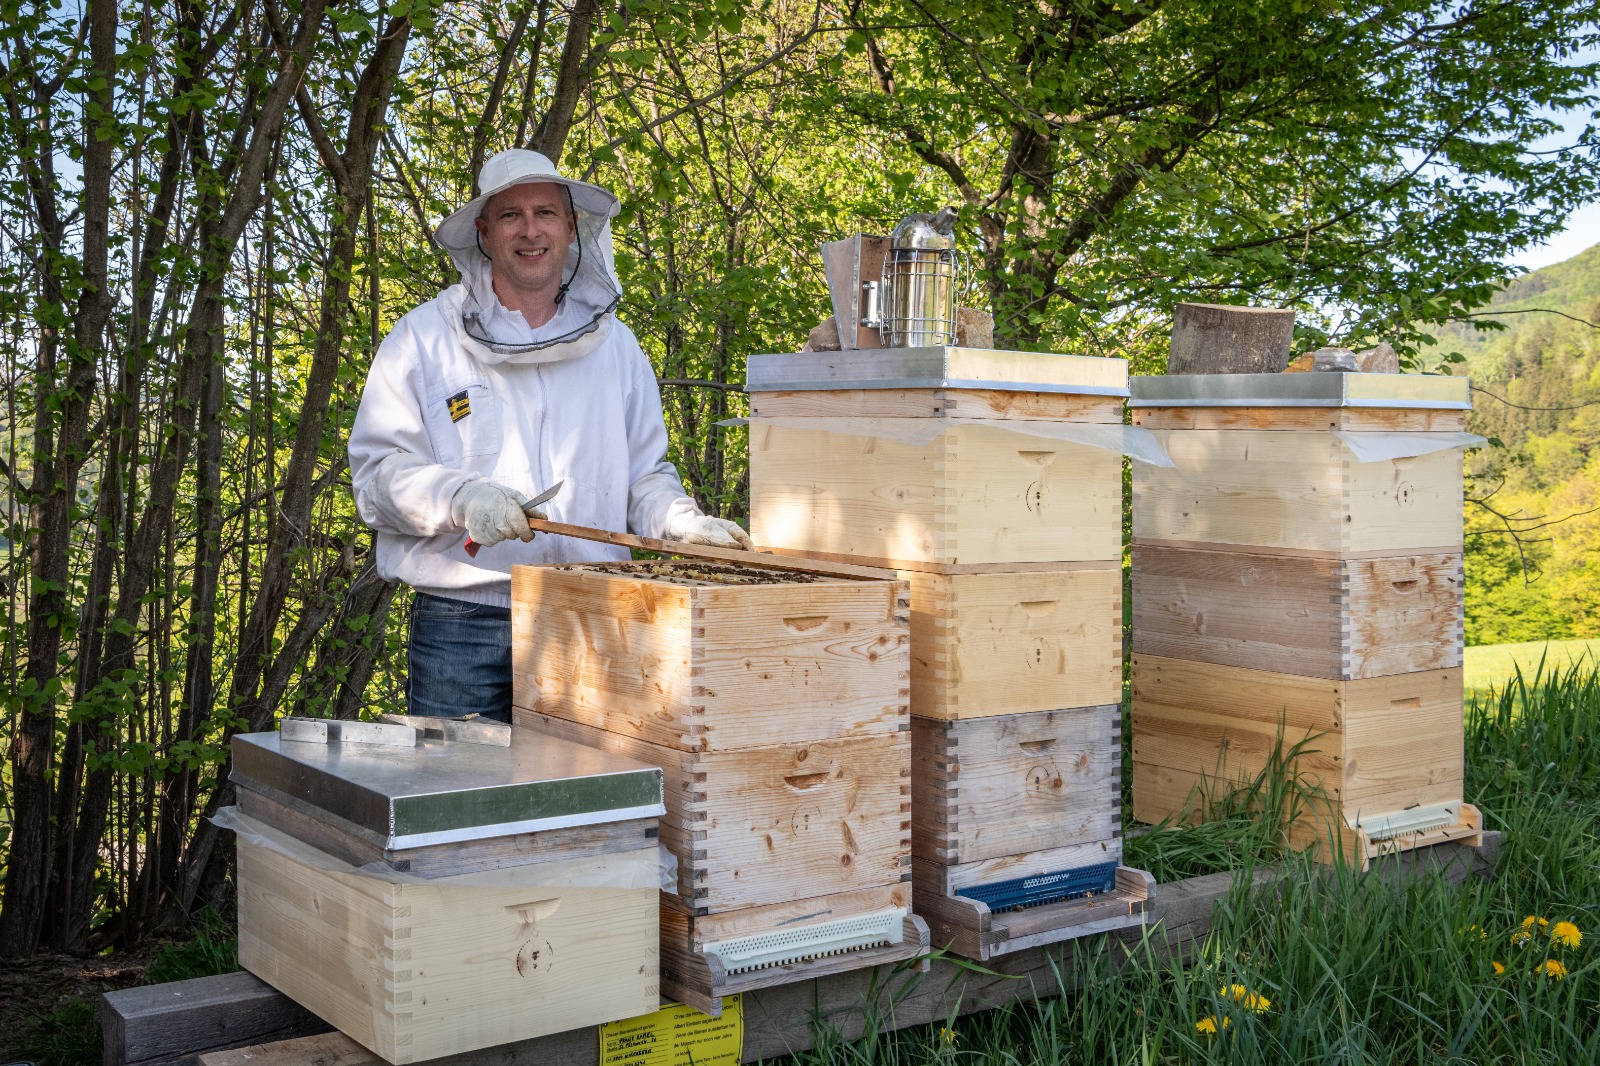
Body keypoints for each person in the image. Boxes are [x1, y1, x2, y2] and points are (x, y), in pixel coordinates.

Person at [349, 149, 752, 722]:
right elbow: (378, 475)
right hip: (465, 622)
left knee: (588, 802)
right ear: (484, 233)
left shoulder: (616, 348)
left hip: (597, 613)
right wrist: (460, 498)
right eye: (511, 215)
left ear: (571, 226)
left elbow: (645, 476)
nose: (530, 230)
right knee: (457, 801)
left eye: (545, 212)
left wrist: (683, 523)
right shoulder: (422, 341)